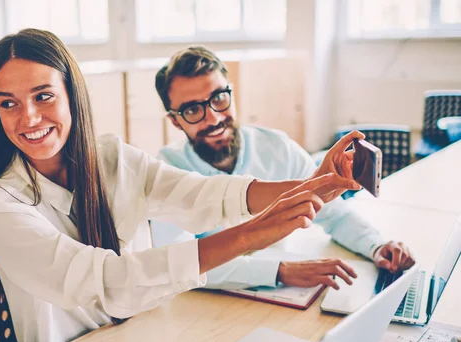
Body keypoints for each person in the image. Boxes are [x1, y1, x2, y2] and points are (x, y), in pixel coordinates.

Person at [0, 29, 361, 342]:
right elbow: (112, 283)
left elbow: (204, 194)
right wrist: (255, 232)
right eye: (8, 103)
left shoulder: (112, 158)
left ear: (72, 94)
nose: (29, 118)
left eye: (43, 95)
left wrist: (314, 184)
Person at [151, 45, 415, 291]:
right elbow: (178, 260)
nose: (214, 118)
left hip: (282, 298)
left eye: (219, 98)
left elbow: (334, 213)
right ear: (175, 122)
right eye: (192, 110)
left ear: (232, 93)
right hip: (204, 305)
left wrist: (376, 245)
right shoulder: (165, 172)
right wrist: (279, 271)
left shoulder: (276, 147)